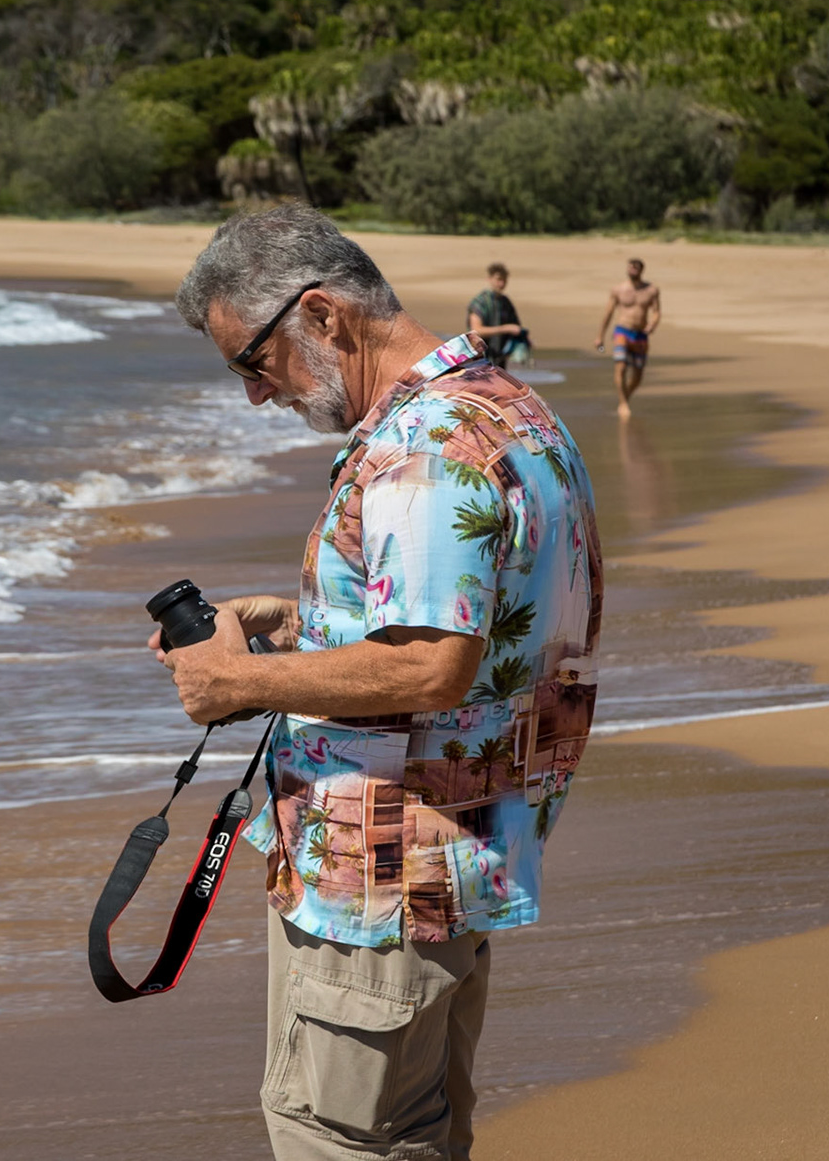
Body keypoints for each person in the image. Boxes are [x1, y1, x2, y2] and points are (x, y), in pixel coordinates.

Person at [160, 206, 602, 1161]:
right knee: (417, 1136)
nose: (254, 395)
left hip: (385, 882)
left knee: (337, 1136)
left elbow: (430, 666)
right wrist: (298, 620)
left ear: (321, 316)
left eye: (251, 362)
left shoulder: (425, 448)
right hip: (461, 852)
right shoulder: (506, 409)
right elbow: (478, 636)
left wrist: (241, 683)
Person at [593, 257, 662, 418]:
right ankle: (623, 403)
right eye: (630, 267)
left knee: (638, 373)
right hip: (622, 331)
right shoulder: (618, 290)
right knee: (621, 366)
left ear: (641, 270)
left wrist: (653, 324)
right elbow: (608, 313)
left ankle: (625, 398)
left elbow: (657, 312)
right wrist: (600, 336)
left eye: (636, 268)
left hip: (640, 335)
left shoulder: (651, 290)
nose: (633, 270)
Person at [464, 262, 529, 368]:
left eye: (504, 280)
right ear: (489, 279)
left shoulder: (505, 302)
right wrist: (505, 329)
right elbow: (476, 330)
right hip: (480, 361)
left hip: (499, 359)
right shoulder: (480, 302)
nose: (501, 284)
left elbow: (516, 327)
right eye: (498, 279)